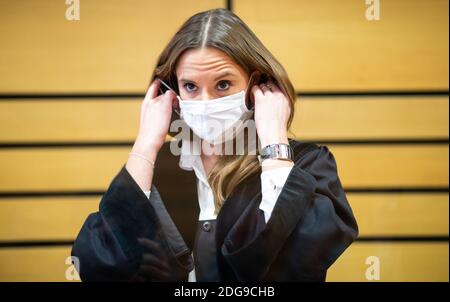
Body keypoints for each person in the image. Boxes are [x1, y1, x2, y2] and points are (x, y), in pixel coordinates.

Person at [71, 8, 358, 282]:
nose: (205, 103)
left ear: (257, 85)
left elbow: (301, 263)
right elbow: (100, 266)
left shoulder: (308, 165)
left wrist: (274, 143)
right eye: (191, 87)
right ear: (172, 91)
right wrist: (146, 144)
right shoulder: (159, 173)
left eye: (223, 84)